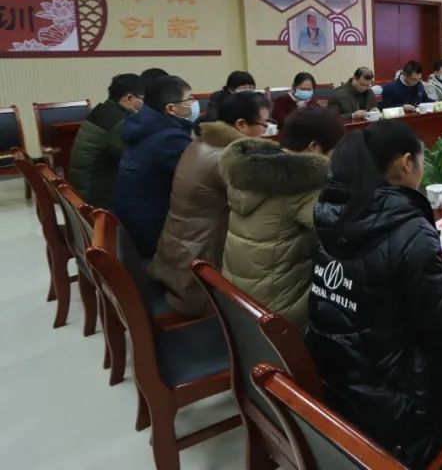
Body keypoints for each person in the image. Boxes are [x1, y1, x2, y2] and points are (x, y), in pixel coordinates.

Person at [307, 122, 442, 468]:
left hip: (338, 380)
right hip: (397, 407)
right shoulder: (407, 225)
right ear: (407, 163)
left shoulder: (330, 211)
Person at [220, 107, 345, 327]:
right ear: (314, 147)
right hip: (279, 311)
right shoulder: (298, 185)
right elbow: (345, 229)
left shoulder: (251, 170)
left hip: (240, 300)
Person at [149, 93, 267, 316]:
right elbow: (255, 204)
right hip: (199, 276)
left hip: (174, 257)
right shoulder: (226, 158)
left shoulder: (200, 142)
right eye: (264, 125)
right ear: (241, 124)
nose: (266, 131)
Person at [114, 75, 197, 258]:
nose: (194, 104)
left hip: (134, 223)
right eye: (189, 99)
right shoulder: (169, 138)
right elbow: (198, 179)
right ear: (171, 109)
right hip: (154, 229)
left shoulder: (144, 126)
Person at [68, 73, 145, 211]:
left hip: (83, 184)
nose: (145, 105)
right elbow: (133, 162)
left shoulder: (101, 110)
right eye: (143, 99)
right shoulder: (119, 122)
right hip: (96, 195)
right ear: (129, 98)